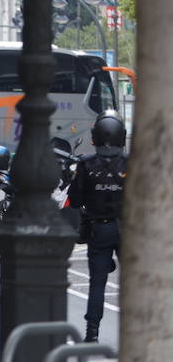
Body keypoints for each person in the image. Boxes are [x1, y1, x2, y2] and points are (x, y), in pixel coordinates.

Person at [67, 111, 127, 343]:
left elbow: (75, 199)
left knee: (98, 282)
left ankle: (92, 332)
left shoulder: (86, 165)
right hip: (128, 230)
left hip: (99, 230)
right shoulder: (131, 164)